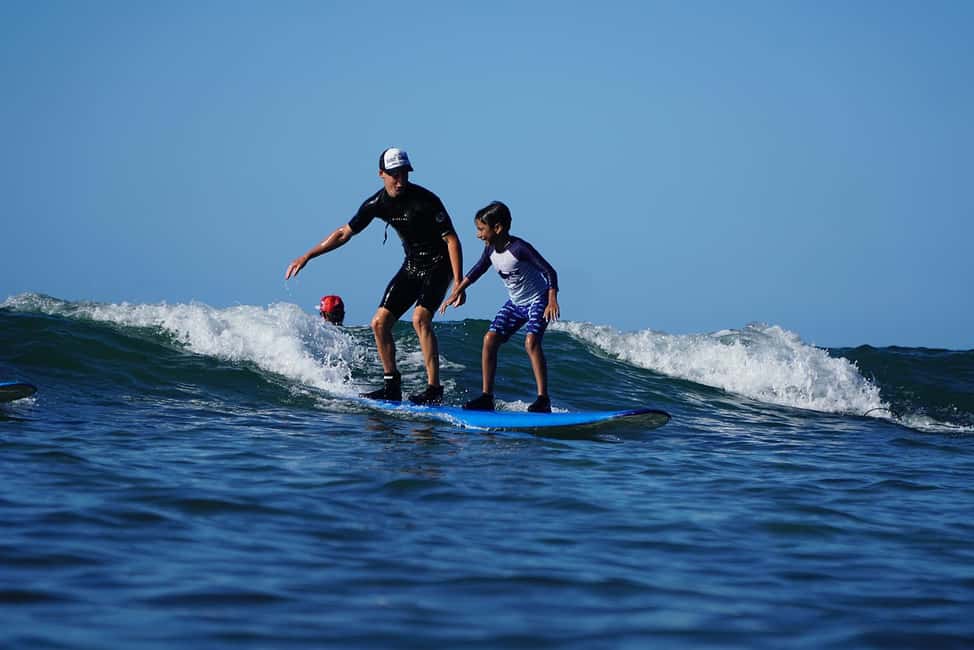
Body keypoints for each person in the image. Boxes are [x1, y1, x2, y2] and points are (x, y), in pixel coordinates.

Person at [286, 148, 463, 404]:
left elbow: (452, 240)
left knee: (420, 318)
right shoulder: (376, 204)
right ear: (381, 174)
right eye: (394, 175)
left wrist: (458, 282)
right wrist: (308, 256)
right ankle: (392, 386)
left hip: (439, 265)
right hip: (413, 265)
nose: (400, 180)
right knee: (379, 323)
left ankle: (434, 390)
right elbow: (343, 233)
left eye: (404, 174)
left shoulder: (426, 200)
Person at [440, 201, 559, 413]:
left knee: (531, 342)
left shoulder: (520, 248)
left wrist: (552, 299)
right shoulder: (490, 250)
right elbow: (478, 270)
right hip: (515, 303)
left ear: (498, 228)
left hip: (537, 300)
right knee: (490, 339)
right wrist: (458, 290)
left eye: (481, 229)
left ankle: (543, 399)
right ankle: (487, 397)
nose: (478, 235)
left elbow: (550, 272)